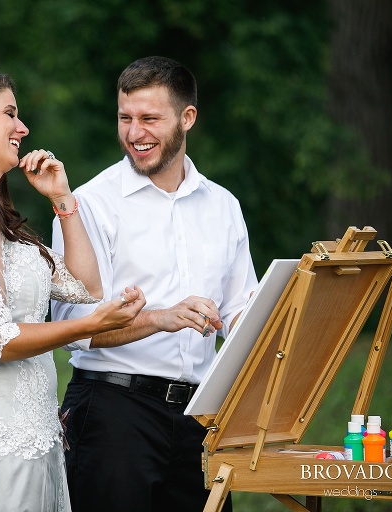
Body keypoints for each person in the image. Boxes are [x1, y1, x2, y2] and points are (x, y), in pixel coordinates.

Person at [0, 67, 146, 512]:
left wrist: (62, 199)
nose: (23, 128)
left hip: (30, 441)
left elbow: (85, 286)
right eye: (10, 114)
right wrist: (88, 329)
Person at [51, 56, 258, 512]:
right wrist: (159, 319)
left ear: (187, 118)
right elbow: (73, 327)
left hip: (200, 417)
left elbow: (241, 310)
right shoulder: (89, 203)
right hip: (112, 413)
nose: (134, 132)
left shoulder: (223, 205)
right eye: (125, 118)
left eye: (149, 118)